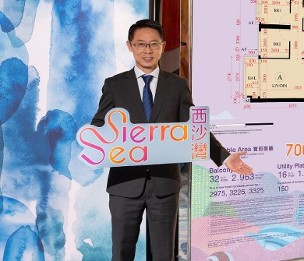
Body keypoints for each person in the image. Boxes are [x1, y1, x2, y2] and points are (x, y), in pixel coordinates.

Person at [91, 19, 253, 260]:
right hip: (125, 184)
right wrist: (98, 140)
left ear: (163, 46)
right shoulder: (114, 85)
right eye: (141, 44)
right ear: (130, 46)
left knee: (164, 254)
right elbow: (99, 125)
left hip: (164, 184)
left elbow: (194, 129)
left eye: (153, 44)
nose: (147, 50)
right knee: (121, 252)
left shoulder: (177, 86)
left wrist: (225, 157)